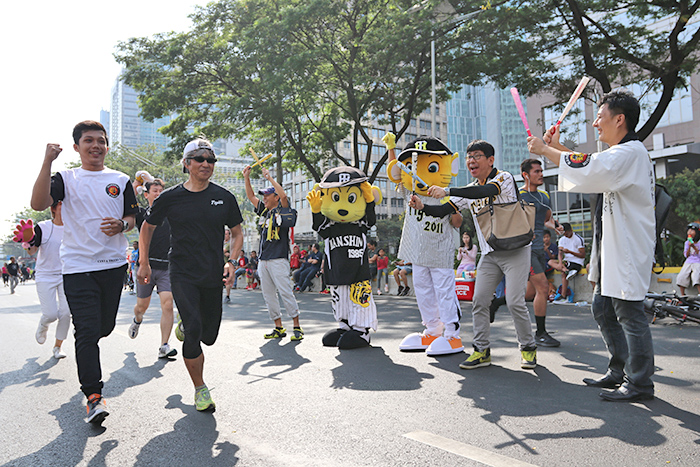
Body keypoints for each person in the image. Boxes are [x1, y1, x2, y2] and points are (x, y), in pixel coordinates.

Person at [528, 90, 656, 402]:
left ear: (619, 119)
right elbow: (593, 167)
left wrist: (546, 150)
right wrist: (556, 148)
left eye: (601, 116)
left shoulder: (630, 153)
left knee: (629, 312)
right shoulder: (622, 154)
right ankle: (619, 370)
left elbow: (593, 168)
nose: (596, 123)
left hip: (625, 248)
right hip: (611, 247)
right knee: (602, 307)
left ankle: (639, 383)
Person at [30, 120, 138, 424]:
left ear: (106, 146)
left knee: (102, 328)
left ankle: (92, 388)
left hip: (113, 266)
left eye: (101, 141)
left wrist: (122, 225)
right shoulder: (65, 178)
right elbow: (39, 203)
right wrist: (47, 161)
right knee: (88, 332)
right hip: (77, 267)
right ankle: (93, 395)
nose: (96, 146)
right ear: (77, 147)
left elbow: (133, 215)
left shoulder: (121, 178)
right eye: (89, 141)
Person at [409, 139, 538, 370]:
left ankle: (527, 348)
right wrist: (422, 207)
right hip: (490, 254)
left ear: (490, 160)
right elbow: (444, 210)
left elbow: (486, 190)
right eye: (469, 157)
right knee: (479, 302)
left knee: (514, 301)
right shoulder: (468, 190)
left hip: (516, 250)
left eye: (477, 156)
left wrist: (447, 190)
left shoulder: (504, 179)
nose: (471, 161)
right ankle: (481, 351)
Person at [138, 137, 244, 412]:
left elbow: (237, 232)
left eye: (210, 160)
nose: (206, 164)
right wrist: (144, 262)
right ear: (186, 164)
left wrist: (231, 262)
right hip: (182, 271)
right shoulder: (170, 198)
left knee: (209, 335)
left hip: (211, 272)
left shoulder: (224, 197)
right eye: (199, 159)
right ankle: (200, 388)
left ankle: (186, 327)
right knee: (196, 329)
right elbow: (147, 228)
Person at [243, 165, 303, 341]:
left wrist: (270, 178)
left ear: (275, 196)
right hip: (264, 260)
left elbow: (284, 196)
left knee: (285, 292)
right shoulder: (265, 212)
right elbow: (250, 196)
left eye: (267, 195)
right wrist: (246, 177)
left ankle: (297, 326)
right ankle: (278, 327)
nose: (264, 198)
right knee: (268, 295)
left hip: (278, 259)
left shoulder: (283, 210)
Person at [128, 177, 178, 359]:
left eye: (160, 191)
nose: (158, 194)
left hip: (166, 268)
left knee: (168, 303)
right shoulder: (142, 214)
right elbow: (128, 203)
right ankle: (137, 320)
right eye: (154, 191)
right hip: (146, 267)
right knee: (142, 306)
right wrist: (135, 185)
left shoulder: (172, 213)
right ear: (146, 194)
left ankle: (164, 345)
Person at [520, 159, 564, 347]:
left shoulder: (544, 196)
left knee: (530, 293)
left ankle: (497, 303)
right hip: (526, 250)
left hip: (540, 249)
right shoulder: (517, 196)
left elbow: (546, 219)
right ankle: (541, 333)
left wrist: (555, 227)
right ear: (526, 175)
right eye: (537, 171)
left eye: (541, 171)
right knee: (543, 288)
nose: (541, 174)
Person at [21, 201, 70, 359]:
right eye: (63, 205)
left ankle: (58, 347)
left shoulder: (74, 227)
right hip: (45, 275)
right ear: (53, 208)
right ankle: (44, 324)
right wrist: (27, 241)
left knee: (66, 313)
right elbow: (31, 251)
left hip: (66, 274)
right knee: (50, 314)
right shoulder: (42, 227)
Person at [556, 223, 585, 303]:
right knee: (551, 262)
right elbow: (560, 253)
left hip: (576, 262)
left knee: (563, 274)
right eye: (564, 233)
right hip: (567, 262)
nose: (565, 235)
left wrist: (570, 252)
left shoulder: (578, 239)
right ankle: (567, 270)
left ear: (571, 230)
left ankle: (563, 296)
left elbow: (583, 255)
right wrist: (560, 263)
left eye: (567, 233)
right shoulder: (562, 239)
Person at [676, 222, 700, 295]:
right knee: (681, 276)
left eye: (692, 231)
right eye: (689, 230)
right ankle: (682, 295)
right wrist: (689, 246)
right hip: (688, 261)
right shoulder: (687, 243)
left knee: (696, 276)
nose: (690, 232)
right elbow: (686, 255)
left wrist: (694, 247)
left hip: (698, 261)